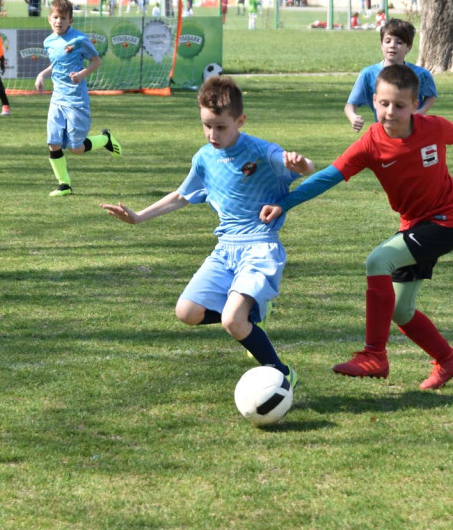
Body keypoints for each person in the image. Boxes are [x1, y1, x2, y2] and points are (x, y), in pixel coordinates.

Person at [260, 64, 453, 389]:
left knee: (379, 260)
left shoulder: (433, 128)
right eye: (383, 103)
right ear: (374, 100)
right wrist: (285, 201)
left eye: (400, 105)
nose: (390, 112)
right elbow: (327, 177)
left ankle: (374, 354)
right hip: (414, 226)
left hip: (446, 222)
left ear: (415, 103)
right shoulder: (370, 144)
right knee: (401, 310)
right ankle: (448, 359)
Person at [101, 76, 314, 388]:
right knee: (186, 312)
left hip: (259, 247)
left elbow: (302, 167)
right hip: (225, 249)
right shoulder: (203, 158)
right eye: (206, 125)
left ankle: (282, 373)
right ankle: (249, 314)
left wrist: (302, 164)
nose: (212, 134)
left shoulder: (261, 151)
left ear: (239, 120)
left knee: (231, 320)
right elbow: (181, 195)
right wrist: (138, 217)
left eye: (221, 127)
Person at [34, 0, 120, 197]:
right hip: (57, 99)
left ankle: (105, 139)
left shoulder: (79, 39)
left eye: (63, 18)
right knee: (53, 143)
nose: (59, 21)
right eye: (55, 17)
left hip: (76, 100)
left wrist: (81, 74)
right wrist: (41, 74)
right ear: (49, 19)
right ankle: (64, 185)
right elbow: (56, 63)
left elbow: (96, 61)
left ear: (70, 21)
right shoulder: (49, 42)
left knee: (75, 148)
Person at [344, 18, 437, 133]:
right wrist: (353, 117)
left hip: (414, 133)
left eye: (399, 42)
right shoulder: (368, 74)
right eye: (387, 41)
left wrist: (420, 112)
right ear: (381, 44)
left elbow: (431, 96)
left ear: (409, 47)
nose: (392, 46)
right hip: (385, 134)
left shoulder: (421, 74)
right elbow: (350, 105)